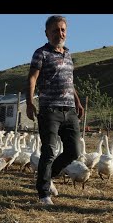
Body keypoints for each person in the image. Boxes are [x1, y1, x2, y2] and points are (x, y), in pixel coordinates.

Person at [26, 15, 84, 205]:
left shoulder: (68, 54)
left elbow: (70, 81)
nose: (60, 33)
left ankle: (49, 177)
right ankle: (43, 194)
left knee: (74, 151)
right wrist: (29, 102)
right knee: (49, 150)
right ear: (47, 33)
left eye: (63, 30)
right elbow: (32, 78)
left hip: (70, 110)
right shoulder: (41, 53)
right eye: (55, 30)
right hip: (50, 109)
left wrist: (78, 101)